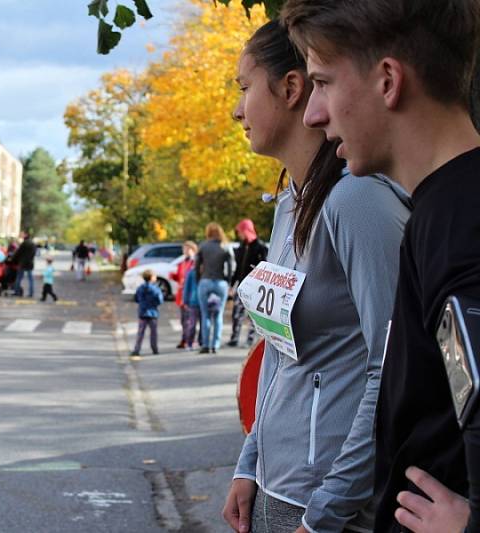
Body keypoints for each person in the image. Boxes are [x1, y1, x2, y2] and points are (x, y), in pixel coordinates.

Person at [282, 1, 480, 531]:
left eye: (322, 82)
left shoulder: (458, 229)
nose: (312, 114)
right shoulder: (436, 214)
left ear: (388, 80)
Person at [222, 20, 410, 533]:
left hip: (334, 511)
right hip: (274, 488)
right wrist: (249, 461)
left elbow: (391, 368)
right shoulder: (289, 205)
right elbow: (280, 354)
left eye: (244, 88)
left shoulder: (358, 201)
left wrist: (328, 508)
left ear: (290, 88)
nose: (237, 109)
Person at [227, 219, 268, 348]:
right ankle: (234, 338)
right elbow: (238, 268)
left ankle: (250, 339)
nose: (239, 234)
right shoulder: (242, 246)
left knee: (252, 316)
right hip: (241, 286)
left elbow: (265, 266)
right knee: (237, 313)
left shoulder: (260, 247)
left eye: (240, 231)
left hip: (254, 287)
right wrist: (232, 285)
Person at [195, 223, 233, 354]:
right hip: (220, 282)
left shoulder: (203, 246)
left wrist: (198, 280)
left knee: (205, 315)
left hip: (205, 281)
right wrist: (228, 282)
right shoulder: (224, 247)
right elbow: (230, 267)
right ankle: (215, 345)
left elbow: (196, 265)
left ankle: (205, 345)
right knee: (218, 316)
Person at [169, 241, 197, 349]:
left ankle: (189, 339)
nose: (184, 251)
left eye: (186, 249)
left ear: (192, 249)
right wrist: (174, 276)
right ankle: (184, 338)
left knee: (190, 319)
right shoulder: (182, 262)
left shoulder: (195, 262)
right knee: (183, 319)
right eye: (184, 249)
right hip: (181, 293)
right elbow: (181, 276)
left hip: (190, 294)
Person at [130, 269, 163, 357]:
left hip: (143, 312)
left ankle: (137, 349)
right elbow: (160, 300)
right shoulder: (156, 289)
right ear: (152, 278)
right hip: (153, 313)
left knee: (140, 332)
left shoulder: (140, 288)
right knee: (153, 332)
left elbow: (136, 298)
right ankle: (154, 348)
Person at [181, 262, 200, 351]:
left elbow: (186, 287)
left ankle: (191, 343)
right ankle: (191, 342)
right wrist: (185, 301)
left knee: (193, 323)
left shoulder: (192, 272)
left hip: (194, 301)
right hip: (196, 301)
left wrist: (185, 301)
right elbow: (187, 287)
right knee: (195, 324)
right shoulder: (194, 272)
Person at [11, 231, 36, 297]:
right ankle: (31, 293)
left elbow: (18, 253)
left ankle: (17, 291)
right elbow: (34, 253)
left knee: (19, 278)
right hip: (30, 263)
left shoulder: (24, 243)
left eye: (23, 234)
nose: (22, 235)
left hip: (22, 263)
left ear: (26, 235)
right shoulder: (32, 243)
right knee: (30, 279)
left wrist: (12, 259)